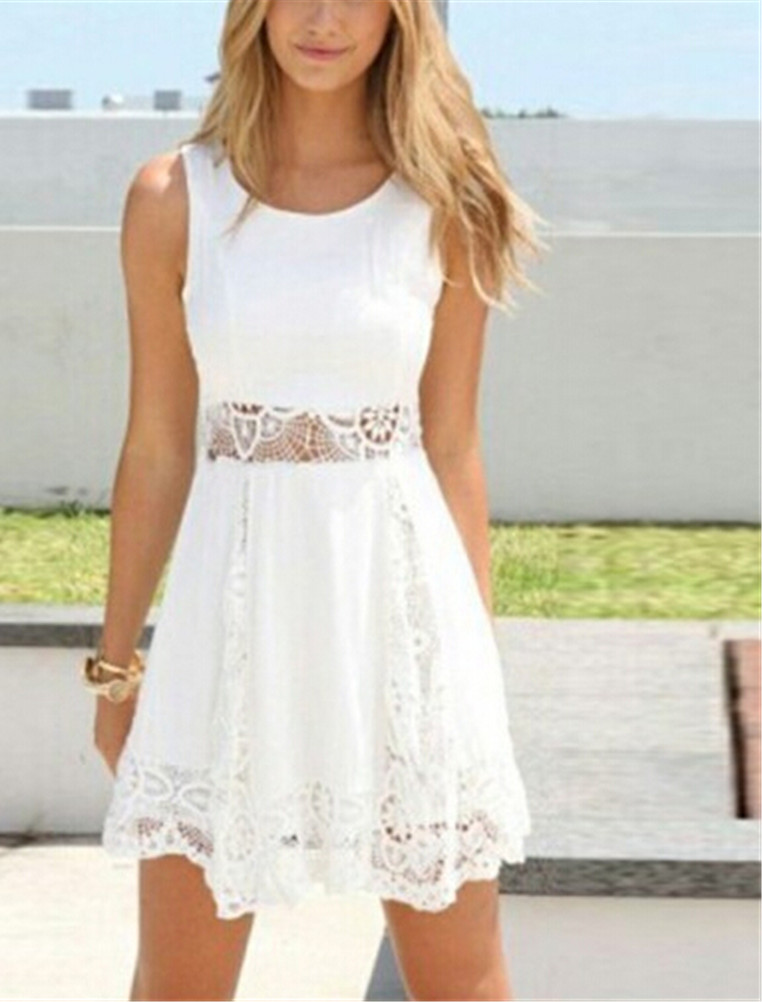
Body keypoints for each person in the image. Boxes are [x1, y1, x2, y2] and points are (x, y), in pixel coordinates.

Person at [86, 1, 546, 998]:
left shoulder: (447, 198)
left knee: (462, 980)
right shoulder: (175, 196)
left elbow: (452, 445)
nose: (324, 18)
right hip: (227, 625)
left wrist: (475, 669)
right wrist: (116, 669)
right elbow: (157, 448)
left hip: (403, 620)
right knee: (177, 984)